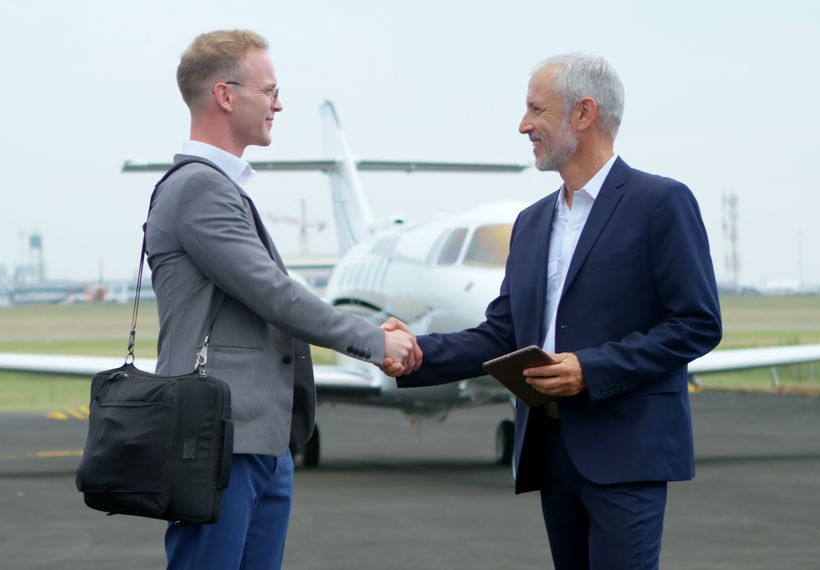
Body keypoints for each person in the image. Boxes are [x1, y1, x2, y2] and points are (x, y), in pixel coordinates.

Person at [382, 54, 722, 569]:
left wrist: (591, 369)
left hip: (626, 454)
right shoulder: (532, 222)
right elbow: (501, 336)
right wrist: (414, 352)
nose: (523, 125)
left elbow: (697, 323)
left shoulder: (661, 203)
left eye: (536, 110)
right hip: (551, 449)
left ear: (583, 114)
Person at [145, 29, 421, 570]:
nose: (278, 103)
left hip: (259, 439)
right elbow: (274, 295)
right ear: (225, 95)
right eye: (269, 90)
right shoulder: (198, 187)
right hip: (218, 439)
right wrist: (373, 341)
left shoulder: (221, 188)